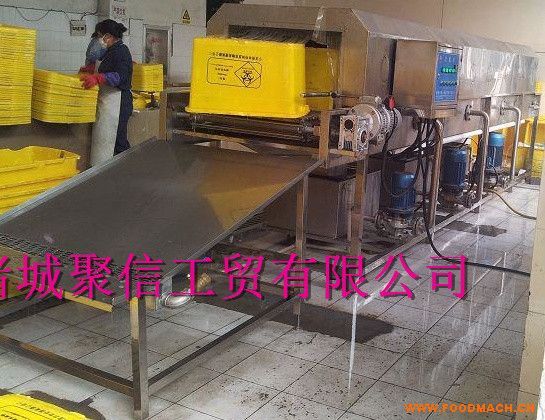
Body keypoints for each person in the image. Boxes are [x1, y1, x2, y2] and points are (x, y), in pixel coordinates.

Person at [80, 19, 133, 165]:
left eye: (99, 36)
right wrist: (91, 70)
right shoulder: (110, 51)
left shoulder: (122, 51)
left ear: (108, 36)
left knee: (118, 141)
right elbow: (104, 66)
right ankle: (107, 170)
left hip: (119, 101)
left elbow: (120, 76)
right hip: (108, 101)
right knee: (107, 138)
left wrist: (98, 78)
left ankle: (127, 169)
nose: (98, 40)